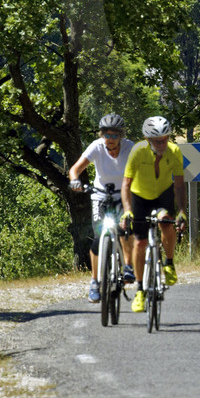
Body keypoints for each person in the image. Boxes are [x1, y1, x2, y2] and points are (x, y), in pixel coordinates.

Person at [122, 115, 188, 313]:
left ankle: (169, 263)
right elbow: (125, 184)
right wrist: (127, 211)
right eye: (158, 141)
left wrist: (182, 212)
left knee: (167, 222)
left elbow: (178, 186)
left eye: (165, 139)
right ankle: (140, 291)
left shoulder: (174, 151)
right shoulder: (137, 151)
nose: (162, 144)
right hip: (139, 196)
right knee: (140, 243)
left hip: (163, 195)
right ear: (148, 139)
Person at [68, 113, 134, 302]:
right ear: (101, 135)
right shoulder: (96, 147)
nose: (110, 139)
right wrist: (75, 181)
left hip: (123, 194)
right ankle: (95, 282)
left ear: (121, 136)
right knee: (98, 238)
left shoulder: (131, 148)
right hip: (100, 196)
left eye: (115, 135)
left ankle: (128, 267)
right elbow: (75, 169)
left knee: (124, 229)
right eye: (106, 135)